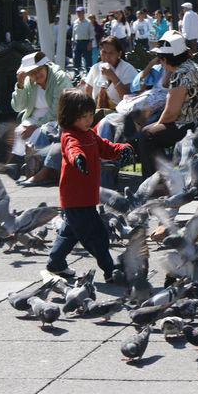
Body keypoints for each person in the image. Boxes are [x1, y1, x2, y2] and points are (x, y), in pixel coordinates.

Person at [45, 88, 133, 281]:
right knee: (97, 235)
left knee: (71, 232)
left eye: (90, 115)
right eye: (83, 116)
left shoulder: (90, 135)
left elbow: (105, 147)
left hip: (84, 197)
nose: (88, 120)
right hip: (76, 198)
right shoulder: (70, 135)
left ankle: (55, 263)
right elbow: (72, 150)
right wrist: (78, 159)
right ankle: (111, 271)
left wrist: (121, 149)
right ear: (68, 117)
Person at [139, 31, 198, 178]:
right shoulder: (187, 67)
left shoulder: (181, 73)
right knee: (151, 130)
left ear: (166, 58)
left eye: (160, 58)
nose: (159, 61)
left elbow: (171, 113)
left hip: (194, 125)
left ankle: (157, 183)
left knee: (148, 134)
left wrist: (157, 125)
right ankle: (164, 178)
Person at [10, 52, 72, 161]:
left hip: (57, 118)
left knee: (38, 133)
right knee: (19, 131)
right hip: (34, 117)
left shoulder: (60, 78)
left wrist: (36, 126)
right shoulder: (29, 82)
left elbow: (57, 108)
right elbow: (18, 107)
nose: (37, 74)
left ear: (45, 66)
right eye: (32, 73)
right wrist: (20, 85)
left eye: (39, 70)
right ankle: (18, 163)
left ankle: (35, 164)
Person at [80, 36, 138, 115]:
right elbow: (88, 91)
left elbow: (128, 98)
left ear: (119, 53)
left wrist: (113, 77)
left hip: (119, 113)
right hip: (96, 111)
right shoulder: (96, 68)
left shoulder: (127, 69)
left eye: (111, 53)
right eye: (104, 53)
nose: (107, 57)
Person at [71, 6, 94, 71]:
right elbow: (73, 33)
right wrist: (72, 42)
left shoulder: (88, 22)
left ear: (83, 13)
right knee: (76, 59)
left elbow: (91, 33)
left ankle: (89, 74)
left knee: (88, 59)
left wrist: (90, 43)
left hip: (86, 42)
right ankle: (77, 74)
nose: (79, 14)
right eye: (77, 12)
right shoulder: (75, 22)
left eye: (80, 12)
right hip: (77, 42)